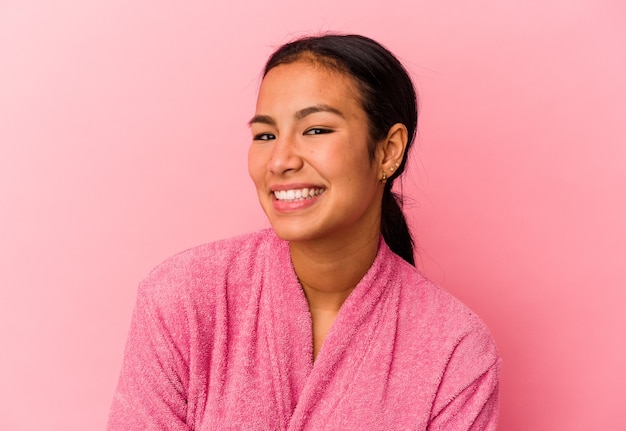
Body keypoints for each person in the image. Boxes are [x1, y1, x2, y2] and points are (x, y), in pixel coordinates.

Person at [108, 34, 500, 430]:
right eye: (265, 135)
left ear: (388, 150)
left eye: (315, 130)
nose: (279, 161)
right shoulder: (183, 298)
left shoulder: (455, 349)